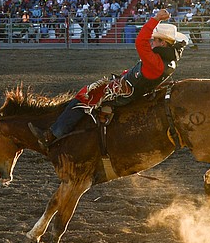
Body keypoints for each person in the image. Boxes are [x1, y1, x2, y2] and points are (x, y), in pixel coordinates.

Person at [32, 9, 188, 148]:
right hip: (132, 87)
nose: (151, 41)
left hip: (124, 92)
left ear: (163, 43)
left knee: (84, 96)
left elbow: (140, 41)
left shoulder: (155, 61)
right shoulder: (169, 60)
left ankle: (53, 134)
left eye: (154, 40)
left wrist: (156, 19)